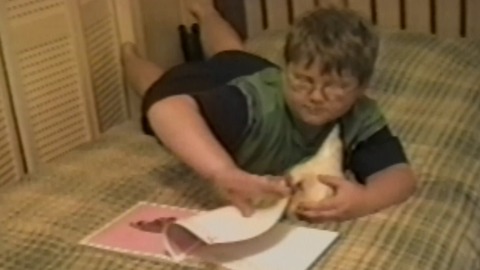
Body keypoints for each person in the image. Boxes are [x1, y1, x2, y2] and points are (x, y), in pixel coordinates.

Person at [121, 0, 417, 222]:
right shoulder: (252, 106)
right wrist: (221, 172)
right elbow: (166, 108)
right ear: (288, 69)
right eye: (303, 80)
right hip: (223, 85)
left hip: (253, 70)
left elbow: (399, 175)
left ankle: (208, 14)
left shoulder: (361, 115)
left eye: (335, 86)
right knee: (157, 86)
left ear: (362, 87)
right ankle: (128, 53)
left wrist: (366, 200)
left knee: (234, 54)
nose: (315, 96)